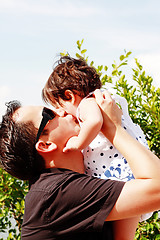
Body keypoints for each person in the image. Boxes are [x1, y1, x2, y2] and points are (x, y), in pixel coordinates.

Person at [0, 90, 160, 240]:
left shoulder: (77, 182)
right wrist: (114, 127)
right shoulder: (55, 194)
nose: (61, 111)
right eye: (49, 113)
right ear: (45, 145)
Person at [42, 56, 152, 222]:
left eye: (59, 107)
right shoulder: (100, 101)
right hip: (127, 172)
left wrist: (79, 143)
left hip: (119, 173)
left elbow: (95, 121)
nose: (61, 113)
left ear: (69, 96)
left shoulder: (88, 103)